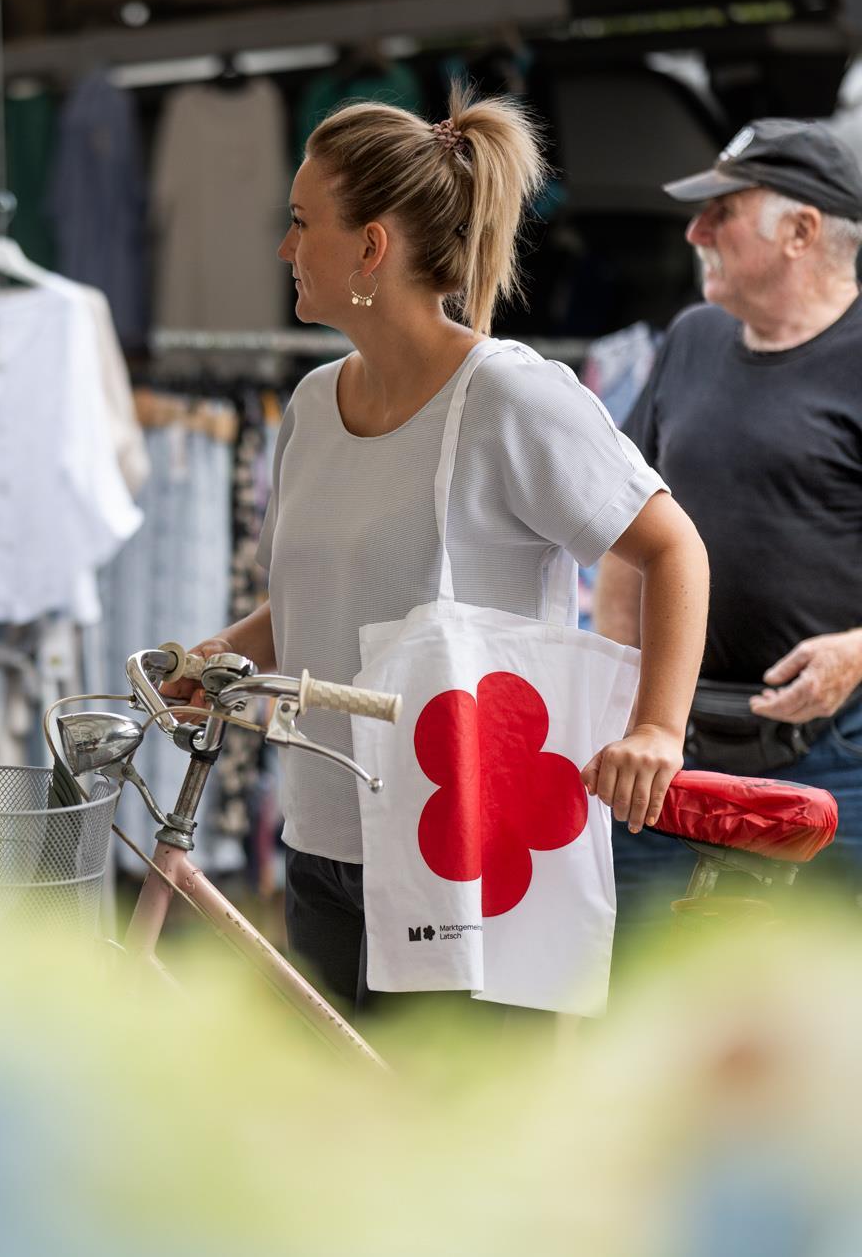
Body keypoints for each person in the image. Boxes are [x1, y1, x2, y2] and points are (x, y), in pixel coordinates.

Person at [167, 87, 710, 1015]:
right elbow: (323, 599)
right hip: (323, 845)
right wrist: (225, 652)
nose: (286, 249)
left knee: (465, 1138)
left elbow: (673, 547)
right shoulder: (309, 406)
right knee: (347, 1137)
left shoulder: (510, 398)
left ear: (372, 246)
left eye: (303, 224)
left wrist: (656, 729)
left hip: (464, 847)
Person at [596, 118, 862, 914]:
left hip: (837, 756)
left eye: (723, 210)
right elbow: (625, 532)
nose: (694, 231)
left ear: (802, 231)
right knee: (648, 1009)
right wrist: (616, 694)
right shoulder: (693, 337)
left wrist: (859, 650)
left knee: (817, 1017)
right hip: (671, 754)